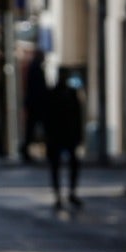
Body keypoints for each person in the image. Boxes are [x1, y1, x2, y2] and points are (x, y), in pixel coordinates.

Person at [44, 72, 84, 210]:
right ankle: (59, 195)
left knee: (71, 164)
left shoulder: (71, 94)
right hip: (58, 135)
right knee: (56, 166)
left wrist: (79, 135)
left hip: (67, 135)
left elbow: (78, 116)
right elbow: (47, 117)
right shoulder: (53, 94)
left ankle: (70, 193)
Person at [21, 49, 48, 162]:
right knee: (36, 128)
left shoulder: (34, 68)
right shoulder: (36, 69)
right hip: (37, 104)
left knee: (31, 128)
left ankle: (25, 149)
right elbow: (39, 88)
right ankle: (25, 149)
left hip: (34, 103)